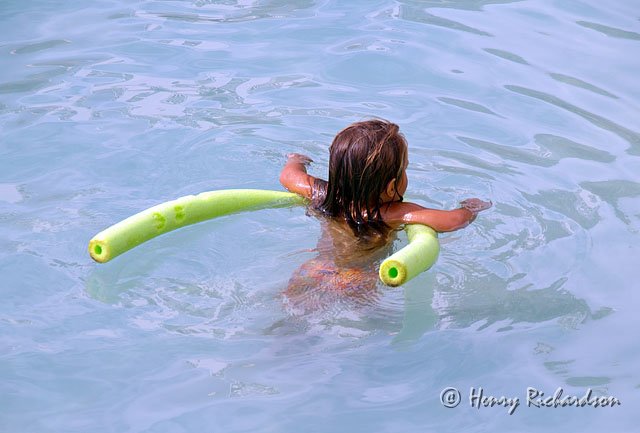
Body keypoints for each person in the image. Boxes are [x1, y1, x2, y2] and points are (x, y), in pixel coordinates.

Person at [279, 119, 491, 314]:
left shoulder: (323, 195)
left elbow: (289, 176)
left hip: (314, 270)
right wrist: (471, 208)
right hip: (358, 279)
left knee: (293, 319)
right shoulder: (391, 212)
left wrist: (296, 160)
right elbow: (454, 221)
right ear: (391, 188)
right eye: (404, 169)